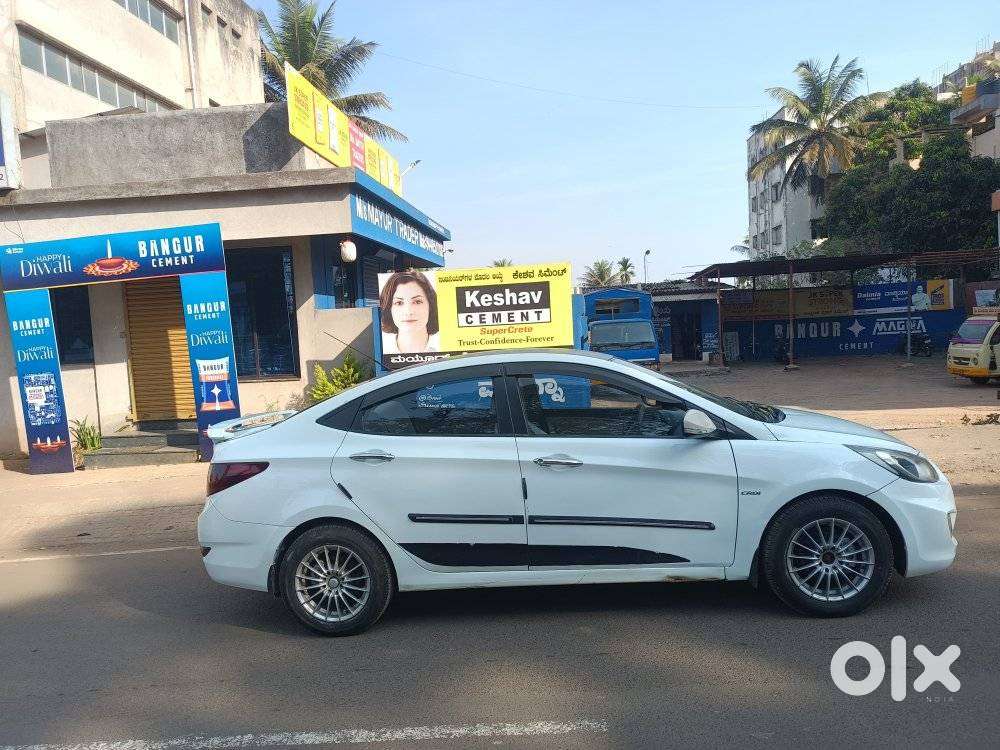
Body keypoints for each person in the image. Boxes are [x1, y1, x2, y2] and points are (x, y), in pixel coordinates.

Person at [379, 270, 440, 354]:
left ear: (431, 305)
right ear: (389, 309)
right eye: (399, 303)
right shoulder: (382, 351)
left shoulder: (445, 346)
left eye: (417, 302)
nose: (408, 311)